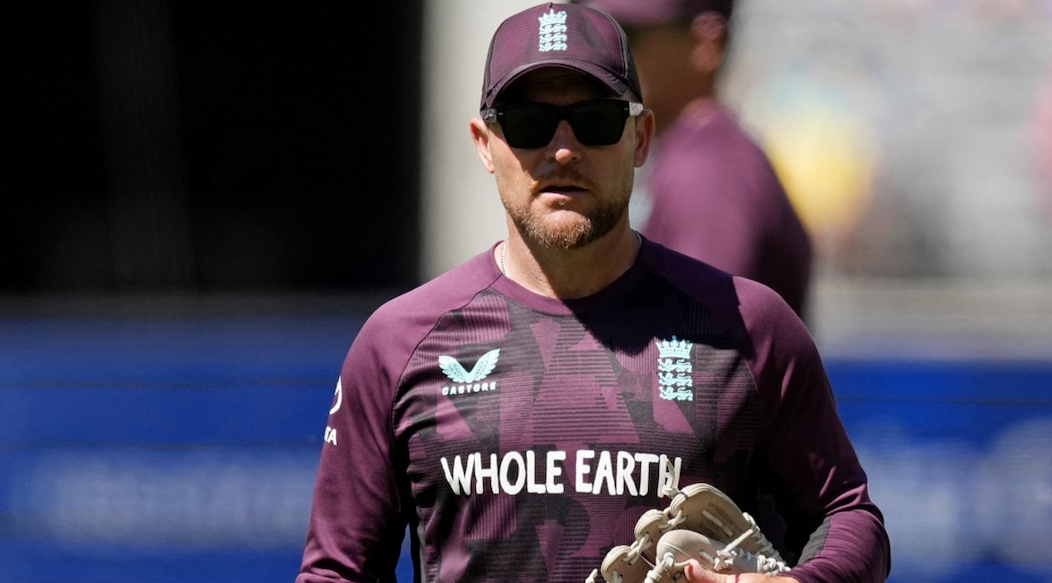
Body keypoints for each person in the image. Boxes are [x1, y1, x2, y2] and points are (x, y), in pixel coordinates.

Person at [296, 3, 889, 583]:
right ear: (485, 143)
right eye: (528, 122)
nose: (562, 150)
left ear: (640, 137)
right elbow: (337, 570)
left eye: (596, 119)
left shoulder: (746, 325)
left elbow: (847, 515)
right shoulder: (400, 343)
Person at [572, 0, 813, 319]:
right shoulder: (686, 152)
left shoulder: (709, 168)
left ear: (705, 44)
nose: (607, 52)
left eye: (628, 35)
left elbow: (698, 334)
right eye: (596, 34)